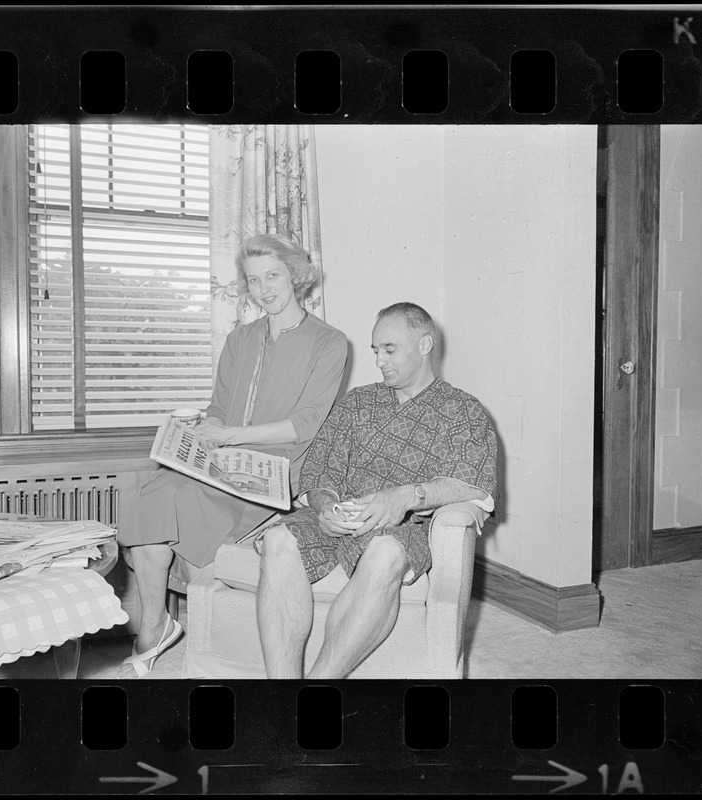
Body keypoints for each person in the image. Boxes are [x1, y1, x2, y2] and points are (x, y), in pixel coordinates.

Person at [117, 233, 348, 678]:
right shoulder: (240, 338)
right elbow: (219, 408)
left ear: (297, 276)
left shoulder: (329, 341)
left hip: (276, 472)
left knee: (177, 501)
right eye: (254, 280)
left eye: (274, 275)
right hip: (221, 460)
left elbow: (306, 424)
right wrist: (202, 434)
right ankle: (155, 626)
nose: (264, 289)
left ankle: (151, 637)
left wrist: (228, 436)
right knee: (150, 497)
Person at [255, 302, 497, 679]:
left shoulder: (463, 411)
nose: (380, 360)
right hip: (338, 523)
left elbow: (471, 483)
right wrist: (327, 505)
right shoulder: (357, 403)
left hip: (400, 530)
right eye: (375, 351)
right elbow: (319, 471)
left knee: (385, 553)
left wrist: (405, 497)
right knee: (278, 540)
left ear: (425, 345)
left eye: (389, 349)